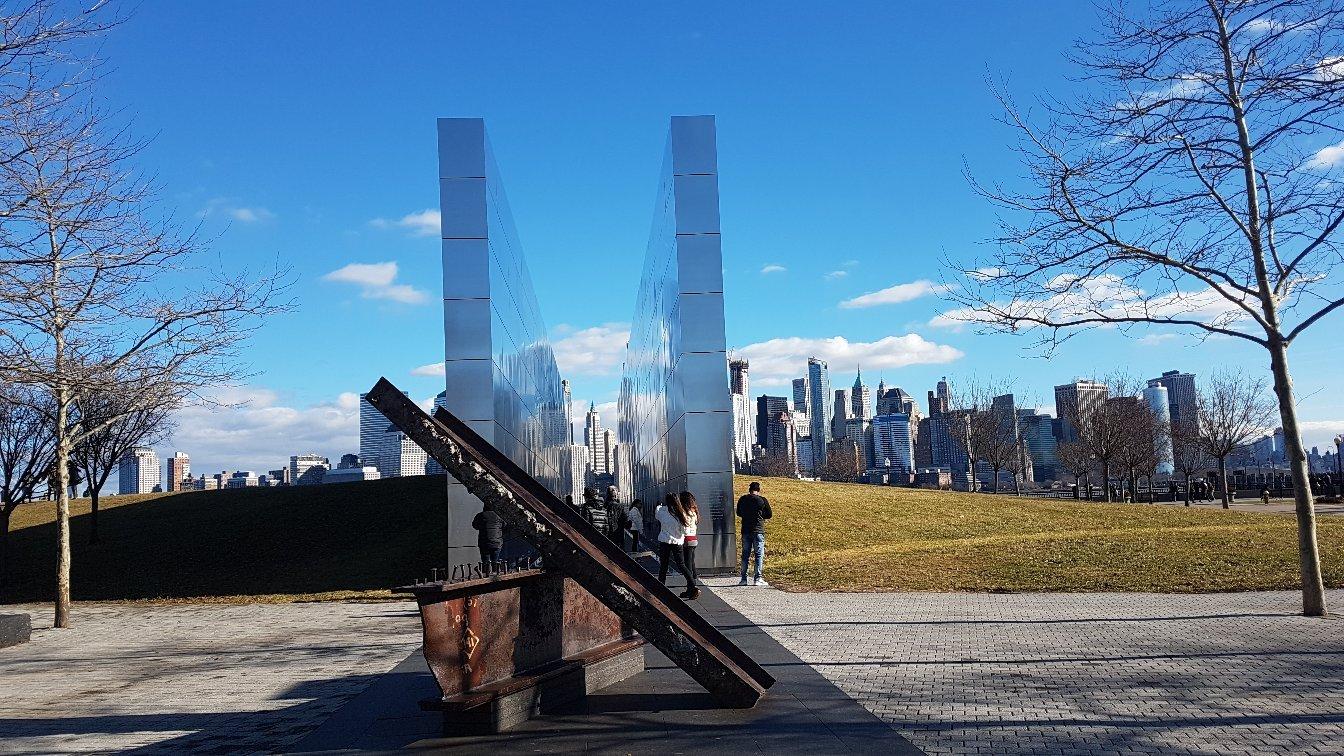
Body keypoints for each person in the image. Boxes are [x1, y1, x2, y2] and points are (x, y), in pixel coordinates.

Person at [655, 492, 699, 599]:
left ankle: (660, 587)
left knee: (663, 565)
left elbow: (657, 515)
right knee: (681, 565)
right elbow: (685, 530)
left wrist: (659, 506)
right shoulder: (681, 513)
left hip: (665, 542)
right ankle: (693, 585)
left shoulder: (662, 511)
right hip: (678, 542)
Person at [736, 481, 772, 586]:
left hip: (746, 530)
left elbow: (738, 513)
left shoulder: (742, 499)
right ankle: (758, 578)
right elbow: (769, 514)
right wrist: (761, 516)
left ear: (749, 490)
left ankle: (743, 579)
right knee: (758, 554)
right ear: (758, 490)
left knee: (745, 555)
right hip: (758, 530)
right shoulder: (762, 500)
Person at [679, 491, 700, 588]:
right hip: (694, 539)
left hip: (687, 539)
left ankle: (691, 584)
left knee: (687, 563)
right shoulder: (694, 511)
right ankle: (694, 579)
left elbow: (683, 528)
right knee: (691, 560)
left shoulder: (684, 512)